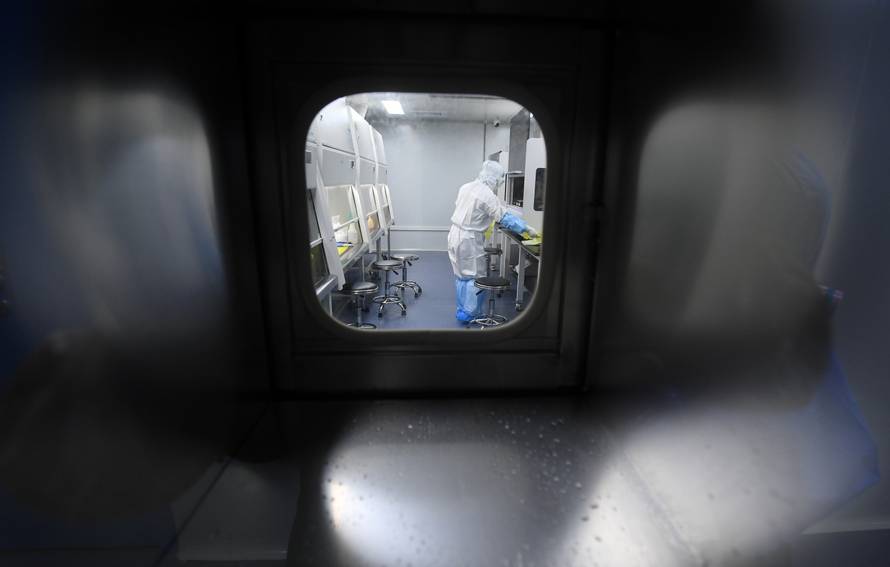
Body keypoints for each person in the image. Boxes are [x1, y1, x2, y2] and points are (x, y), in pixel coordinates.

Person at [447, 160, 537, 323]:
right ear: (494, 178)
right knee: (474, 275)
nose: (500, 183)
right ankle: (471, 314)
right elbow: (503, 217)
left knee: (461, 274)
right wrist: (526, 229)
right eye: (500, 180)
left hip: (454, 234)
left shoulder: (466, 186)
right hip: (469, 239)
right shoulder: (487, 194)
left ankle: (463, 310)